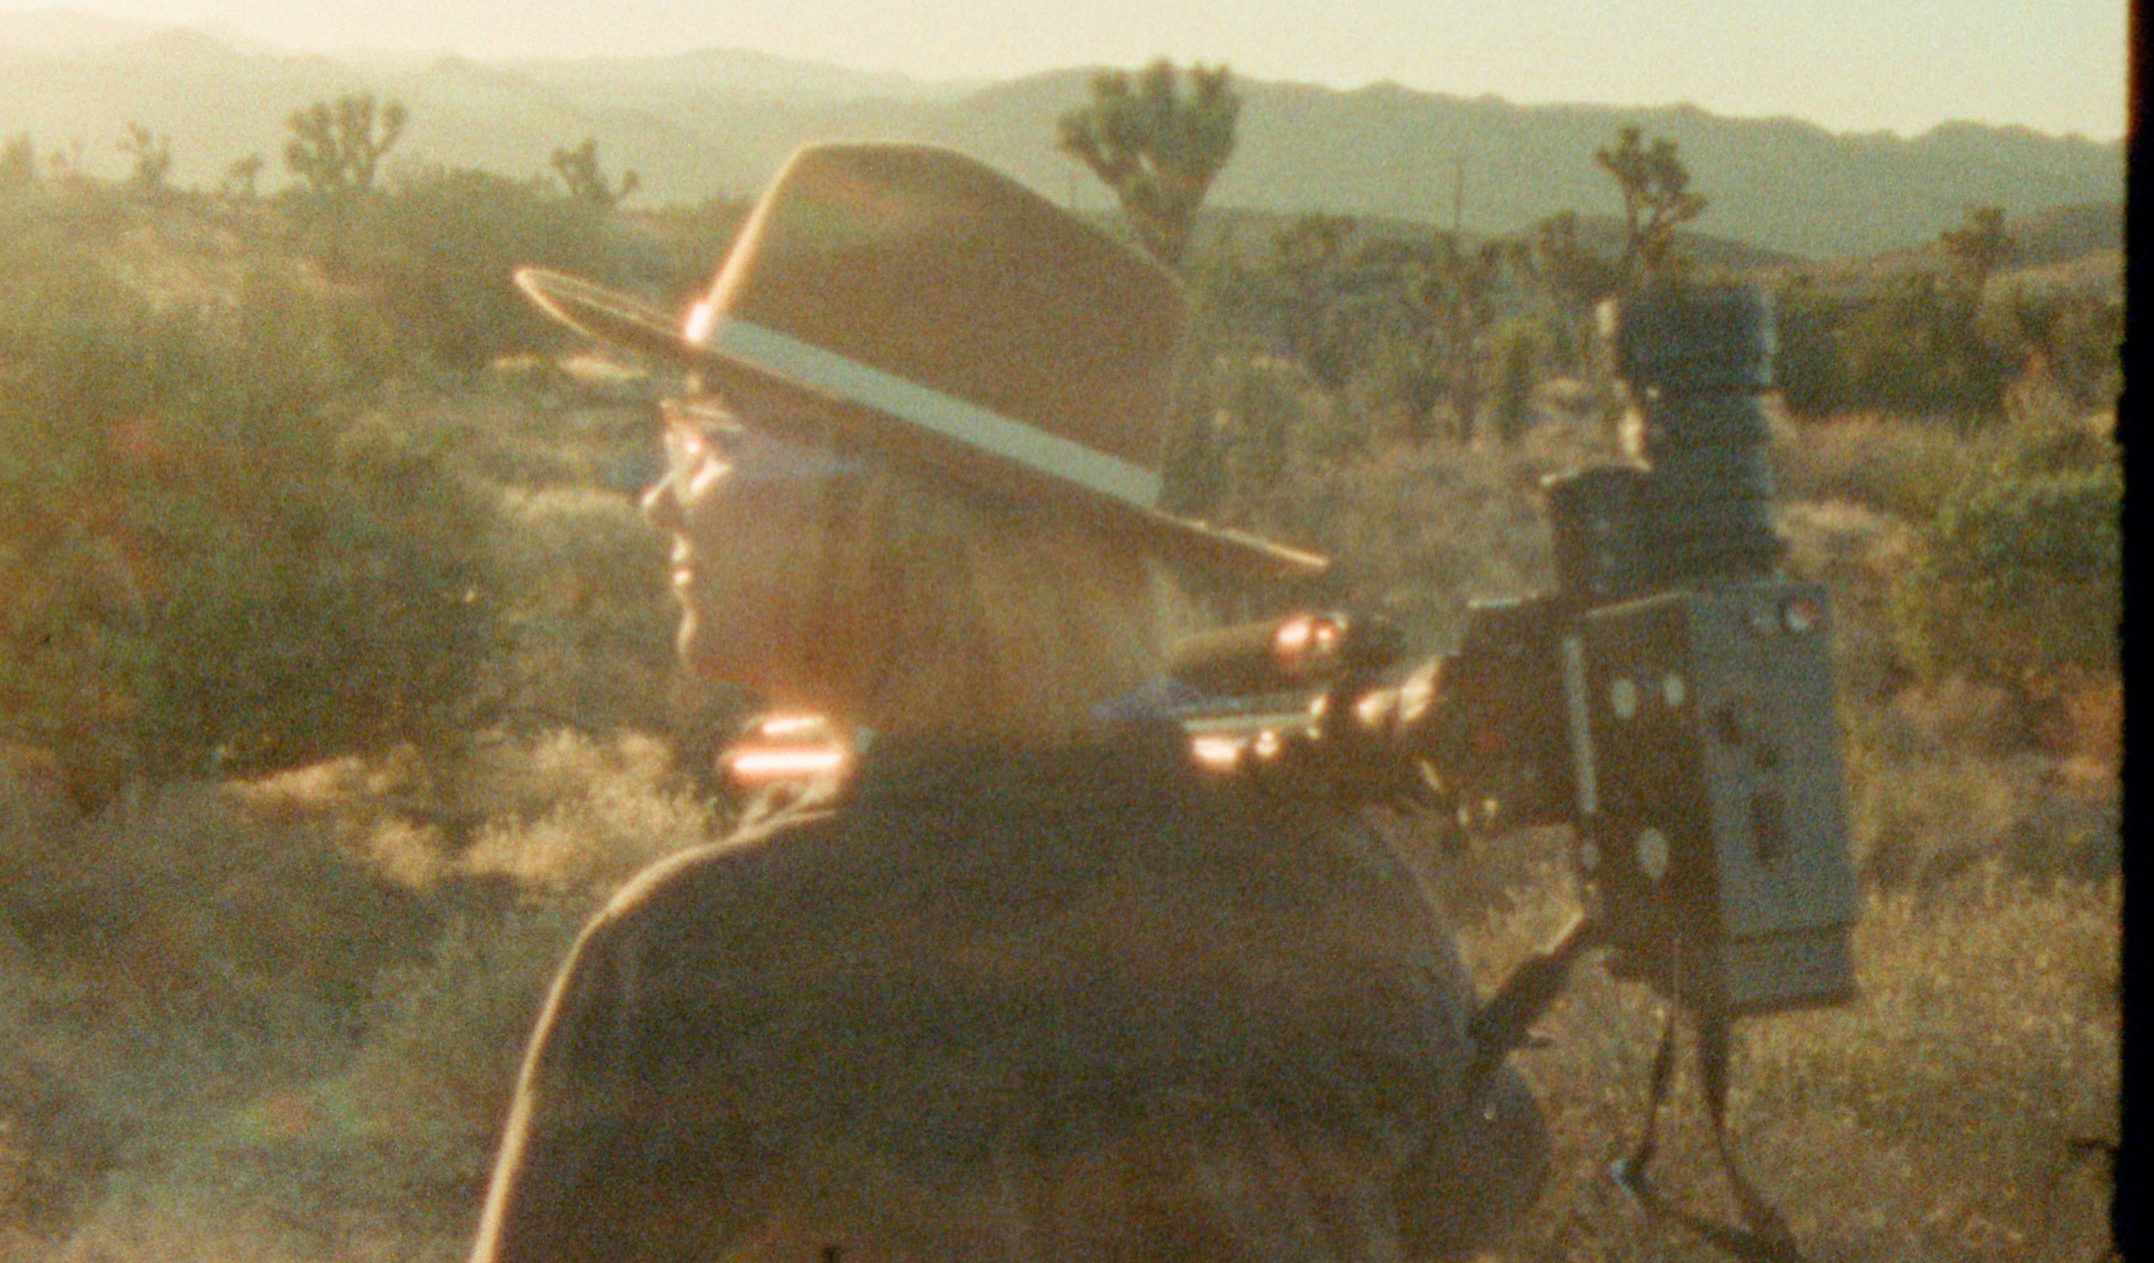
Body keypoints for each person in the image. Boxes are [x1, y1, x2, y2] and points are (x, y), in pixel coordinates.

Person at [472, 142, 1547, 1262]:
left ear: (880, 517)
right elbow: (1483, 1168)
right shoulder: (1331, 882)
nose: (661, 496)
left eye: (715, 434)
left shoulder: (706, 957)